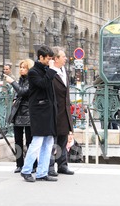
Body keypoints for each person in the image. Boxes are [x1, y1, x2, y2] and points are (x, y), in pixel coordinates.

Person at [20, 45, 58, 182]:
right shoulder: (33, 72)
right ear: (40, 57)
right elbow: (43, 84)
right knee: (36, 142)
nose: (50, 61)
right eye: (48, 59)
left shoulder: (47, 70)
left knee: (48, 142)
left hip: (48, 111)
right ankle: (26, 170)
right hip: (39, 111)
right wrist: (52, 70)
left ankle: (42, 172)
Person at [5, 59, 37, 173]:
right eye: (21, 67)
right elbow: (18, 93)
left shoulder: (32, 80)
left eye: (24, 67)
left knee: (30, 141)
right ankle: (19, 164)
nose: (22, 69)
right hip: (18, 112)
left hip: (28, 112)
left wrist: (12, 82)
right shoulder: (21, 79)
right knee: (17, 141)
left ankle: (32, 165)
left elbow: (23, 91)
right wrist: (15, 98)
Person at [48, 46, 75, 176]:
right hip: (53, 112)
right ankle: (50, 166)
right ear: (56, 58)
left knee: (63, 140)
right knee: (52, 142)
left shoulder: (64, 71)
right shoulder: (51, 73)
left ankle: (63, 165)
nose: (66, 58)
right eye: (63, 56)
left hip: (64, 112)